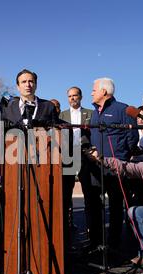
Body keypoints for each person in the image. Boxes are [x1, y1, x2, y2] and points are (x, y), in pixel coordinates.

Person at [87, 77, 138, 249]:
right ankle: (96, 241)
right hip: (95, 166)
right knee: (94, 203)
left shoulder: (123, 110)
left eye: (94, 89)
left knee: (116, 205)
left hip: (115, 166)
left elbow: (132, 138)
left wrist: (121, 157)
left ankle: (115, 242)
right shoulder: (94, 112)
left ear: (103, 91)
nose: (92, 92)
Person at [59, 87, 93, 229]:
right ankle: (66, 229)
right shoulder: (62, 115)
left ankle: (91, 228)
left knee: (89, 193)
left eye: (75, 95)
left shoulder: (90, 113)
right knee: (66, 192)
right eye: (70, 96)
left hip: (86, 154)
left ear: (80, 96)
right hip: (68, 156)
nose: (72, 98)